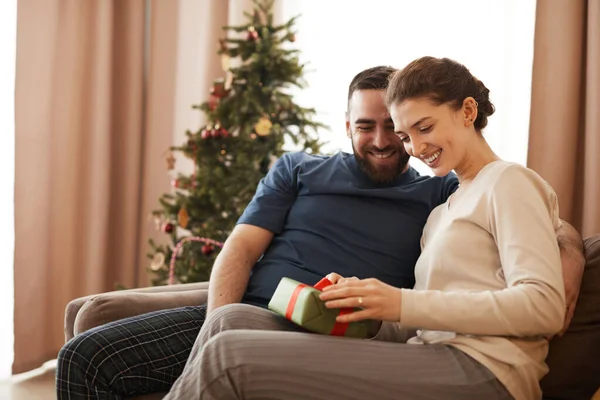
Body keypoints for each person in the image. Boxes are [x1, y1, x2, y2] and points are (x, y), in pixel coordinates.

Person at [56, 65, 584, 399]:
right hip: (417, 345)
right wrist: (361, 307)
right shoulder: (449, 203)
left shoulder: (498, 182)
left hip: (484, 368)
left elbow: (539, 298)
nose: (411, 146)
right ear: (346, 125)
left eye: (421, 129)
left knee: (226, 356)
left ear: (468, 111)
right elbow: (431, 308)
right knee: (232, 322)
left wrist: (396, 302)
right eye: (406, 133)